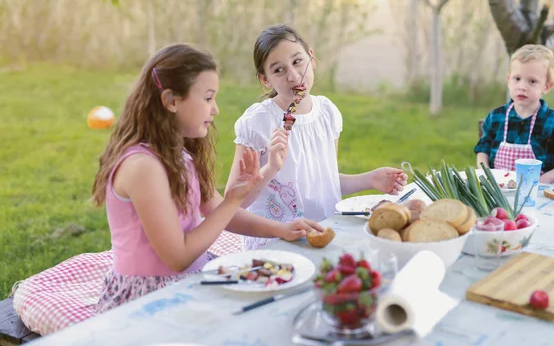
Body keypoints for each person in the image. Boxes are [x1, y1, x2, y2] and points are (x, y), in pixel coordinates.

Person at [91, 44, 322, 313]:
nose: (216, 110)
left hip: (192, 277)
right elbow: (178, 257)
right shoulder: (143, 168)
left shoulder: (180, 154)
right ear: (171, 101)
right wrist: (232, 200)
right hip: (150, 296)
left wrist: (281, 229)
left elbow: (217, 210)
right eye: (208, 98)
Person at [225, 24, 408, 251]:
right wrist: (271, 167)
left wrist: (370, 179)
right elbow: (234, 203)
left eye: (297, 61)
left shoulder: (327, 114)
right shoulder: (258, 124)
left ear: (311, 58)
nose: (293, 76)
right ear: (265, 79)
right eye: (278, 70)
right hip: (276, 243)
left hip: (325, 234)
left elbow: (323, 181)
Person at [475, 44, 554, 184]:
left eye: (532, 81)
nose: (522, 86)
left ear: (546, 86)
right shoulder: (496, 117)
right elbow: (483, 148)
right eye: (517, 79)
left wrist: (546, 179)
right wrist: (485, 172)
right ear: (509, 81)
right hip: (499, 191)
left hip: (538, 195)